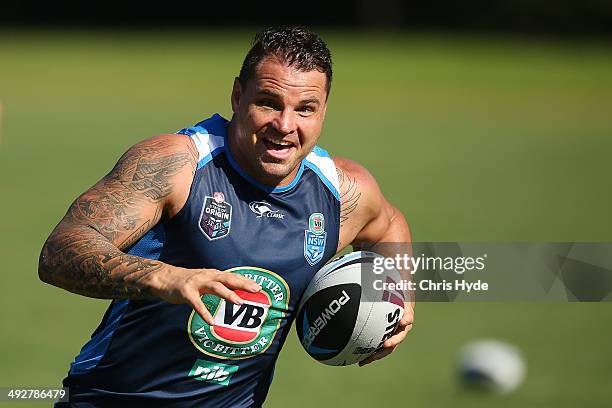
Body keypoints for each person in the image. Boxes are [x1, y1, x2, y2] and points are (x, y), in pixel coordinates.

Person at [39, 26, 414, 407]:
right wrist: (165, 277)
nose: (285, 125)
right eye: (268, 102)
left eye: (305, 109)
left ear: (323, 111)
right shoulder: (176, 165)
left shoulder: (342, 193)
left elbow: (388, 224)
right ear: (238, 96)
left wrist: (399, 299)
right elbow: (59, 252)